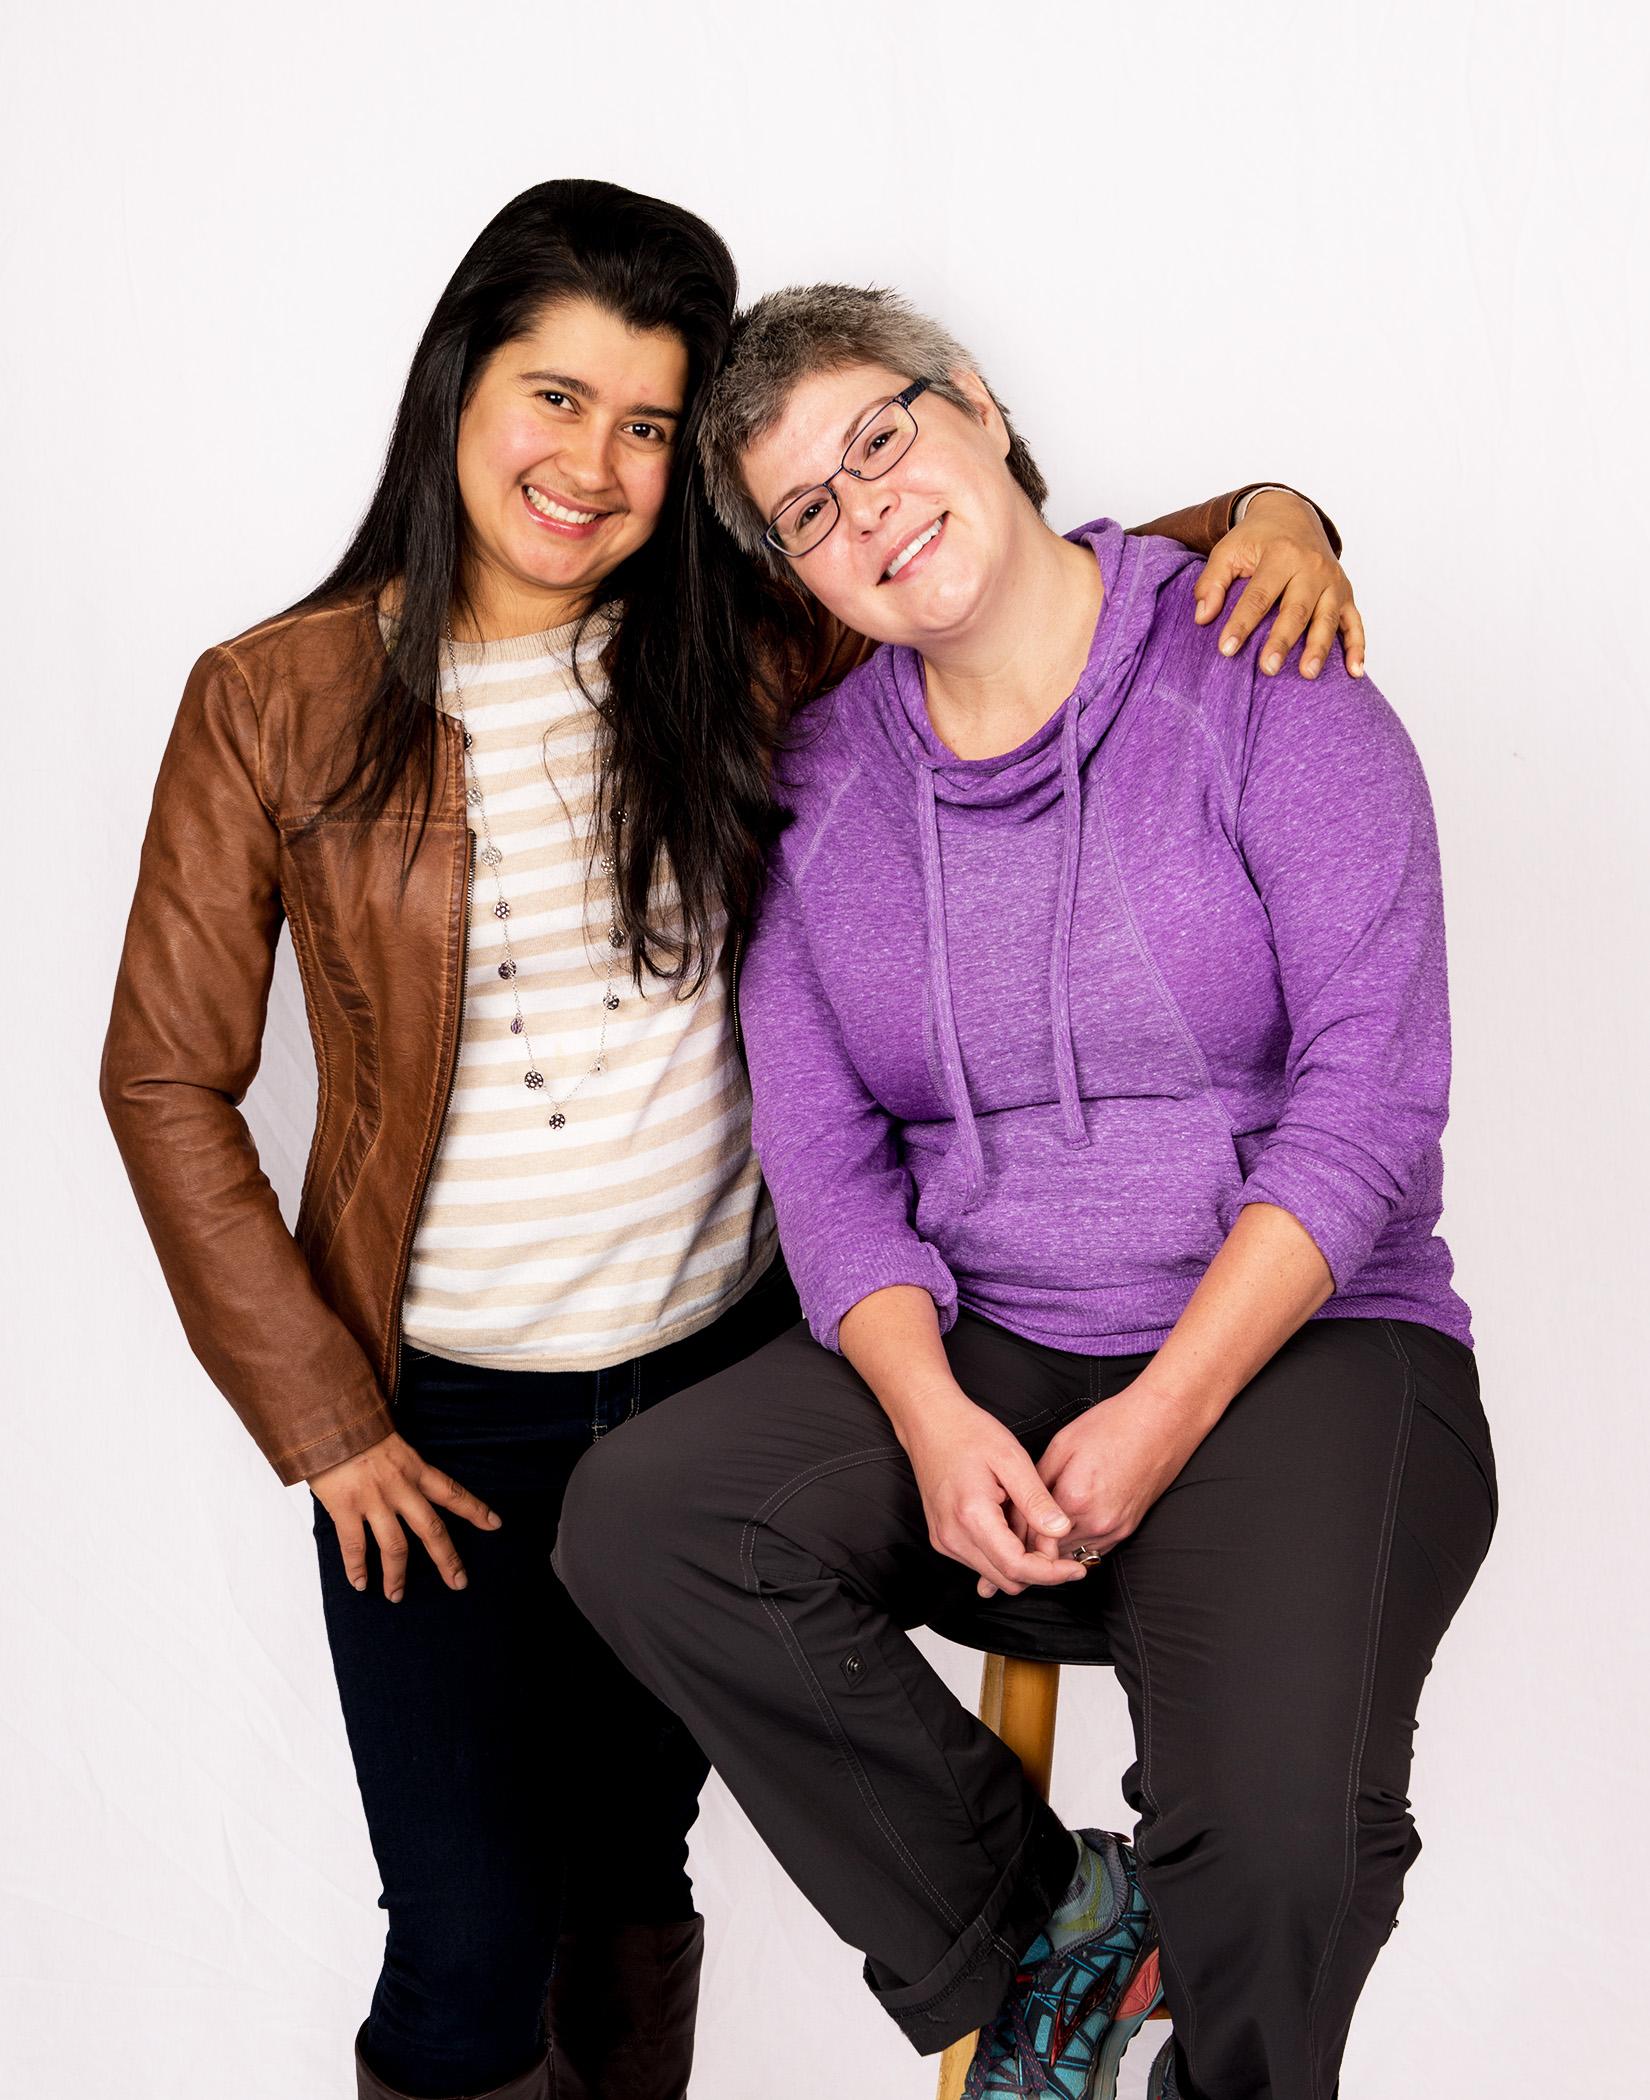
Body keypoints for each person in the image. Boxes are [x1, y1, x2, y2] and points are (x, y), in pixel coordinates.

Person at [101, 176, 1356, 2100]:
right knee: (458, 1938)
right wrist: (322, 1421)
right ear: (459, 386)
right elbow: (166, 1077)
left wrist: (1280, 516)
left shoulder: (747, 646)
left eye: (646, 425)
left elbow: (1018, 562)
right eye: (552, 396)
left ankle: (1048, 1930)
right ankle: (1043, 1916)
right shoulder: (271, 700)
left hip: (709, 1367)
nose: (591, 464)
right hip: (430, 1423)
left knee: (626, 1880)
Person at [553, 285, 1495, 2100]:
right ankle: (1049, 1927)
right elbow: (822, 1162)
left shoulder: (1260, 671)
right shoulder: (817, 794)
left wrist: (1161, 1413)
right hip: (994, 1347)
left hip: (1306, 1348)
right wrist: (920, 1409)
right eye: (809, 514)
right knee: (652, 1521)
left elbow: (1368, 1105)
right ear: (801, 581)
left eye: (879, 441)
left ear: (973, 406)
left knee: (1280, 1850)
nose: (869, 512)